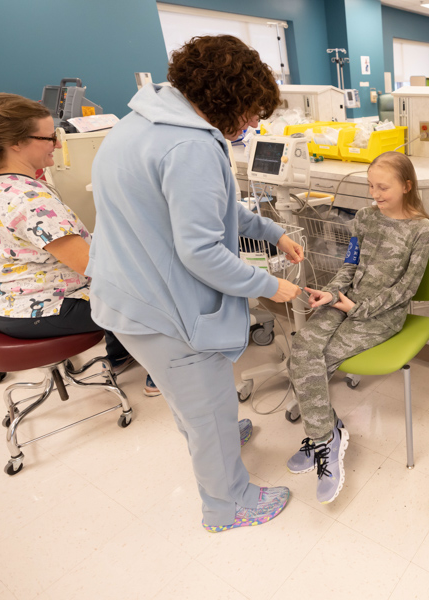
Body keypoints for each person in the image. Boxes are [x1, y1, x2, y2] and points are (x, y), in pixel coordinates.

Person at [87, 35, 303, 532]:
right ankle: (228, 505)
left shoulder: (141, 123)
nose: (253, 124)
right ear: (227, 97)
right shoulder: (192, 147)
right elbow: (202, 250)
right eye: (251, 111)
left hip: (125, 294)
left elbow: (210, 211)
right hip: (161, 306)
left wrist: (271, 232)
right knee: (205, 404)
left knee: (191, 398)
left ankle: (220, 432)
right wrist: (271, 288)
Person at [0, 93, 145, 382]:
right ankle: (160, 372)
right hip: (48, 309)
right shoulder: (30, 198)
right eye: (49, 138)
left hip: (0, 305)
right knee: (144, 293)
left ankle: (122, 354)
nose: (58, 144)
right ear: (16, 143)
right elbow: (95, 269)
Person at [287, 151, 429, 504]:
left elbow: (406, 290)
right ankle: (327, 437)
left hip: (383, 313)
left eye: (383, 187)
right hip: (345, 299)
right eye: (371, 186)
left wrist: (360, 308)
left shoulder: (421, 230)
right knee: (302, 350)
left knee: (316, 363)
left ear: (406, 186)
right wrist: (332, 293)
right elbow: (349, 266)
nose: (375, 194)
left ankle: (324, 439)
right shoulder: (365, 219)